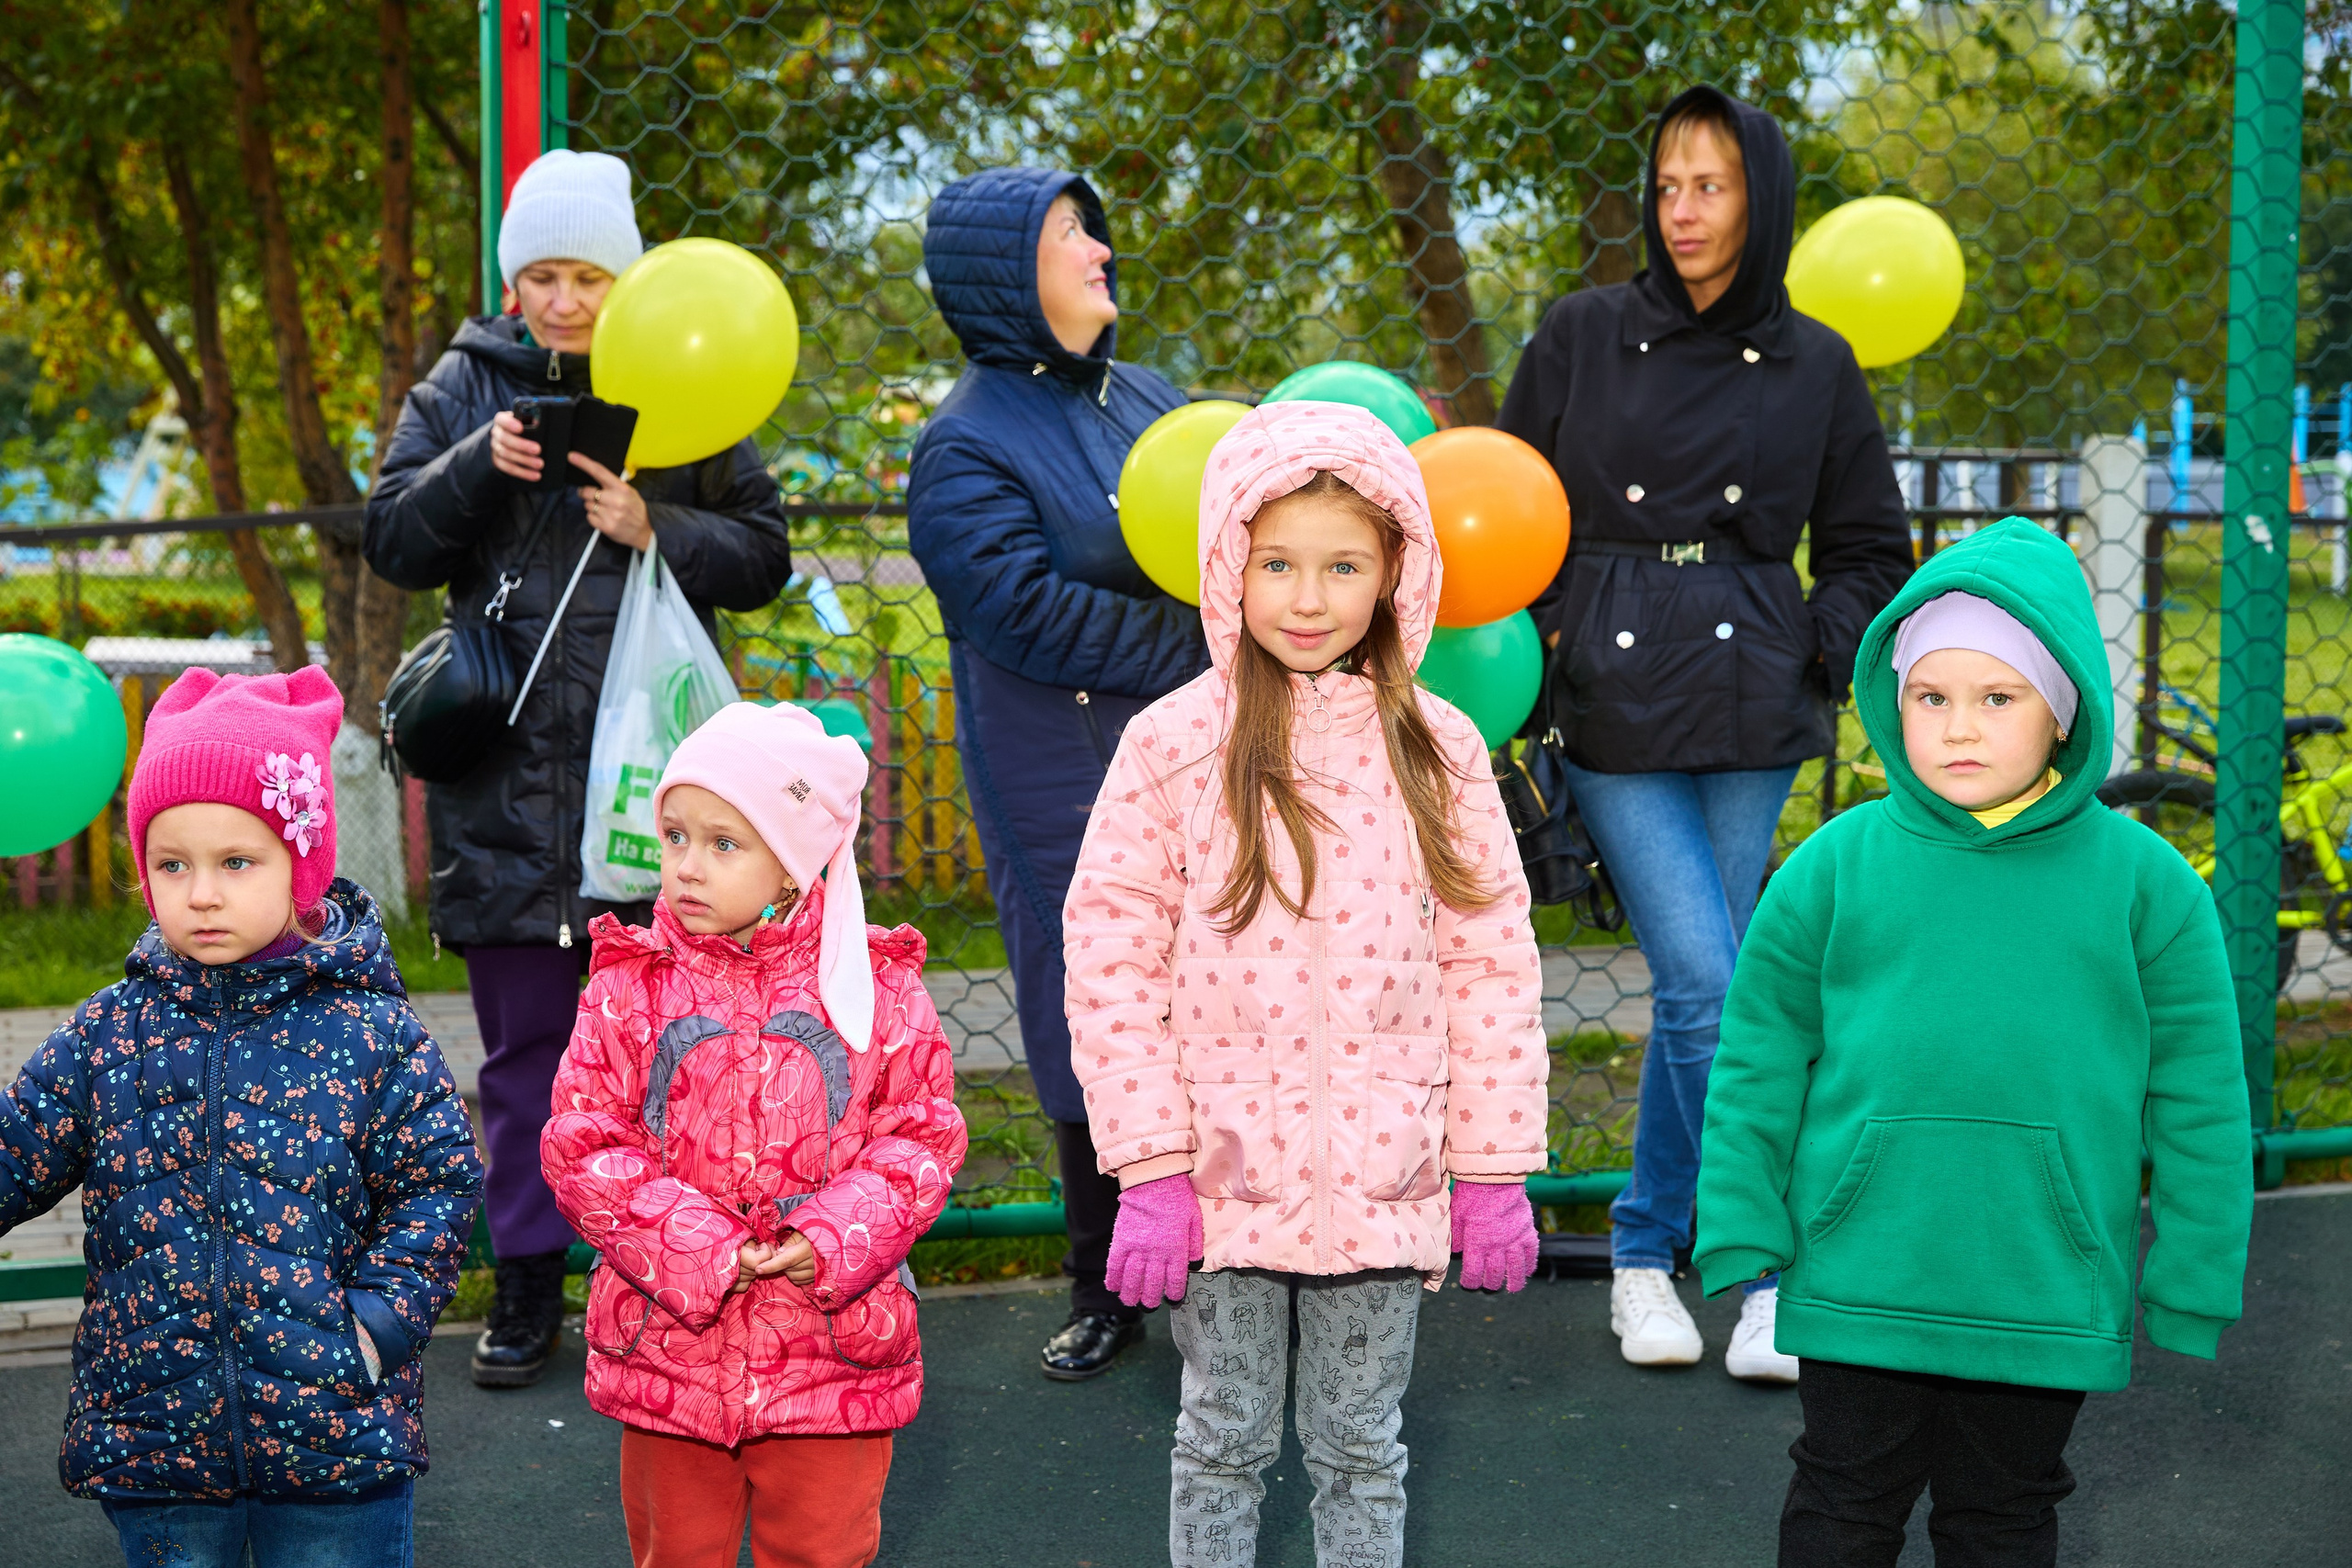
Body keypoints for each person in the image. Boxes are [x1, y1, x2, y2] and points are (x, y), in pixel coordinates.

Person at [1694, 518, 2253, 1565]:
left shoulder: (2147, 888)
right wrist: (1736, 1216)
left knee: (2001, 1520)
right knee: (1840, 1505)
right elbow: (1759, 1052)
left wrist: (2193, 1272)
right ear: (1891, 700)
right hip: (1862, 1270)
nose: (1960, 727)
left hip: (2040, 1282)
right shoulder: (1832, 866)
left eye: (1998, 697)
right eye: (1930, 697)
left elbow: (2200, 1097)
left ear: (2062, 710)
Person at [1065, 401, 1548, 1568]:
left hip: (1383, 1180)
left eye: (1342, 565)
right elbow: (1111, 954)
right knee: (1220, 1440)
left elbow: (1489, 963)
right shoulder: (1174, 745)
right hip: (1220, 1181)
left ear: (1396, 573)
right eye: (1276, 562)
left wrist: (1487, 1170)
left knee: (1360, 1446)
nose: (1307, 597)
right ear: (1228, 562)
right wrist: (1151, 1166)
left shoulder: (1438, 748)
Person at [1495, 85, 1913, 1382]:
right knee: (1710, 986)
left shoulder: (1816, 361)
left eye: (1712, 185)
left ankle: (1653, 1245)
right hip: (1615, 691)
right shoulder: (1580, 333)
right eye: (1668, 185)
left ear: (1762, 198)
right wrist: (1558, 637)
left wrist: (1817, 646)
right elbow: (1512, 500)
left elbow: (1865, 547)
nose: (1682, 211)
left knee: (1715, 985)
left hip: (1748, 688)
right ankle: (1739, 1266)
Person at [365, 148, 795, 1388]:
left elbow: (765, 554)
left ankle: (658, 1269)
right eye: (541, 276)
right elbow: (392, 534)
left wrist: (660, 525)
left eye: (589, 276)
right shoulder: (462, 383)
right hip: (501, 788)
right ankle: (526, 1282)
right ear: (512, 282)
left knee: (667, 1053)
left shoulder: (687, 379)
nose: (563, 302)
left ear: (628, 279)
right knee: (521, 1062)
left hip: (652, 795)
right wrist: (469, 467)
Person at [0, 668, 481, 1568]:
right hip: (161, 1435)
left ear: (303, 866)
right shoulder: (112, 1030)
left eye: (236, 862)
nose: (202, 894)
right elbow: (14, 1147)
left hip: (332, 1427)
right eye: (172, 864)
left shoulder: (368, 1030)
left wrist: (376, 1326)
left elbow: (438, 1186)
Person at [539, 700, 965, 1568]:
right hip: (672, 1348)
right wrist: (698, 1243)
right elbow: (583, 1140)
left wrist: (830, 1234)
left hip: (829, 1352)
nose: (687, 866)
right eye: (675, 836)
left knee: (820, 1549)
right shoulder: (632, 984)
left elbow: (919, 1137)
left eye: (723, 843)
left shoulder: (876, 990)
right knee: (676, 1552)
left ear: (793, 866)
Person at [908, 165, 1207, 1381]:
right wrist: (1210, 636)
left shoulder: (1148, 397)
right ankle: (1107, 1276)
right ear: (997, 281)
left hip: (1197, 747)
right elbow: (1027, 615)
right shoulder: (962, 444)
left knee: (1218, 994)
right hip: (1062, 771)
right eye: (1066, 234)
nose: (1099, 250)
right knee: (1097, 1006)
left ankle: (1228, 1251)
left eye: (1093, 225)